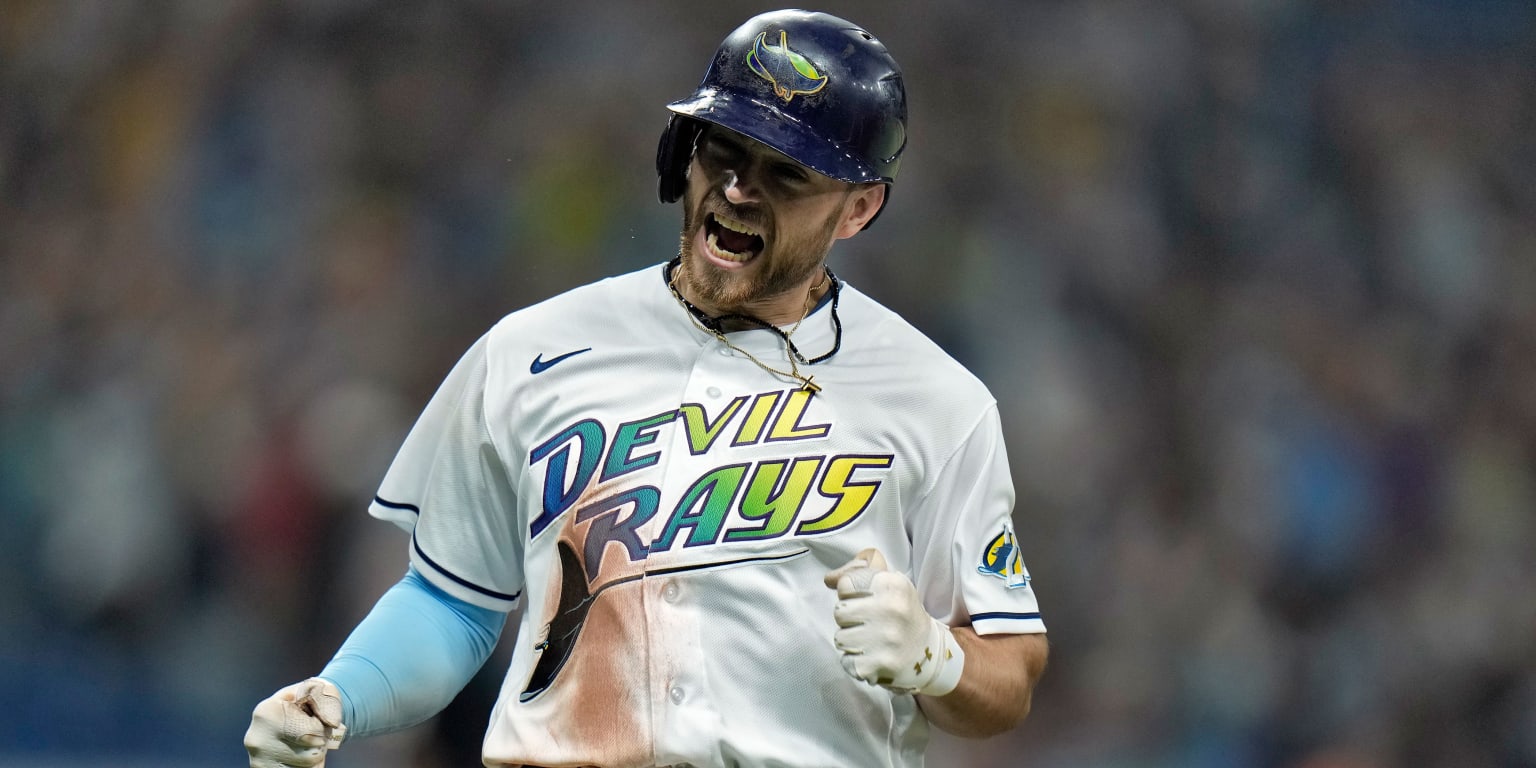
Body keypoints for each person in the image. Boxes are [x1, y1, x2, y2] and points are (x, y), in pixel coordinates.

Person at [245, 9, 1048, 768]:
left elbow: (1009, 668)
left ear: (860, 208)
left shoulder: (937, 401)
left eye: (786, 174)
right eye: (723, 152)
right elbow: (453, 602)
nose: (738, 189)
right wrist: (340, 693)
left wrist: (938, 660)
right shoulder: (530, 352)